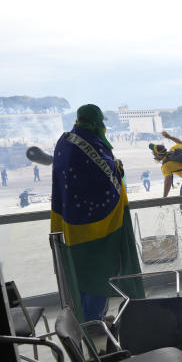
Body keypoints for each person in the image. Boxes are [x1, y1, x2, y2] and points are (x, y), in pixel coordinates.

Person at [50, 104, 144, 322]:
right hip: (97, 225)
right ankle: (94, 319)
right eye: (101, 122)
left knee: (80, 270)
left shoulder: (64, 140)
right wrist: (118, 167)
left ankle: (85, 317)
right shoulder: (90, 143)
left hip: (69, 221)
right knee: (99, 269)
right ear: (96, 122)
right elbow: (107, 175)